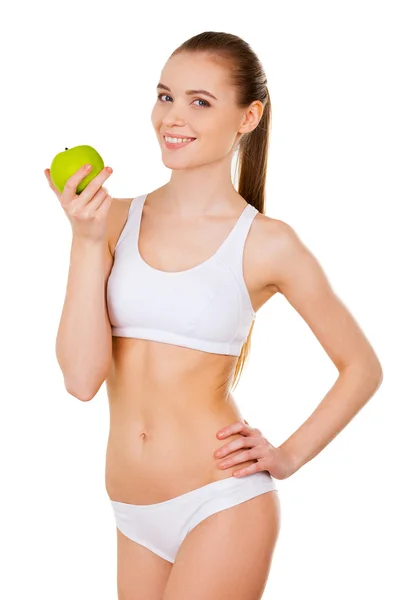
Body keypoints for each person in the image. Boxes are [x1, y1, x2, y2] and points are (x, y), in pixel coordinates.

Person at [45, 31, 383, 600]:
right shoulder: (111, 220)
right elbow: (81, 381)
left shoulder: (268, 244)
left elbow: (362, 366)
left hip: (221, 502)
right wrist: (84, 239)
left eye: (200, 101)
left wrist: (288, 455)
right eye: (165, 95)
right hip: (132, 511)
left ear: (248, 117)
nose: (172, 117)